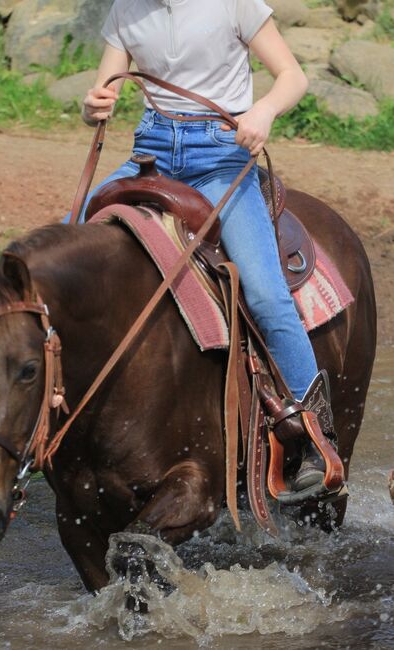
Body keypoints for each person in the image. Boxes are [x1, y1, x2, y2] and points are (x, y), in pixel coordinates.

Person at [73, 0, 337, 499]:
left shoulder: (234, 3)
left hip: (220, 156)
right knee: (68, 245)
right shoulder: (126, 9)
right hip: (150, 152)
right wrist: (93, 108)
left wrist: (262, 109)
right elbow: (103, 91)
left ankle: (314, 437)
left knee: (263, 292)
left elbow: (291, 76)